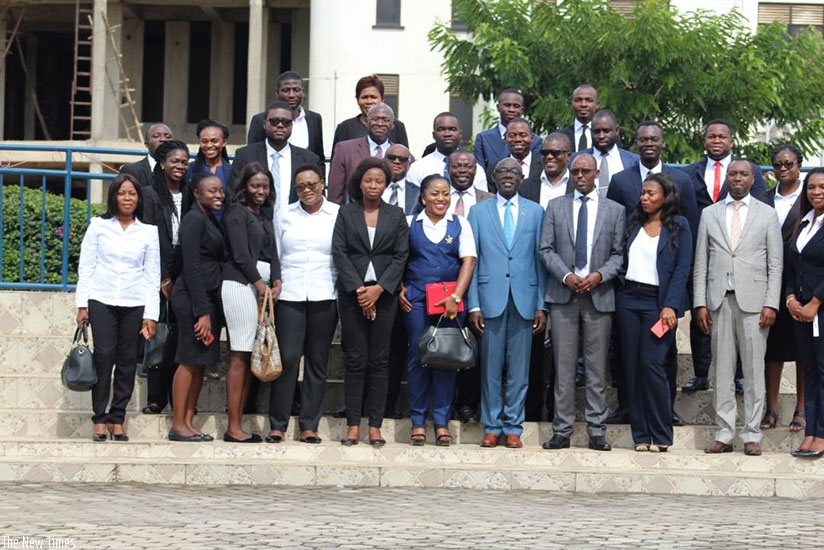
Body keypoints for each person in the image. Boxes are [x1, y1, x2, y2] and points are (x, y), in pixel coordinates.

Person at [606, 121, 699, 425]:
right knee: (627, 356)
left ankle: (663, 412)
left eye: (654, 138)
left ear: (662, 143)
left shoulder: (682, 182)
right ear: (635, 142)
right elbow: (618, 237)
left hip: (662, 297)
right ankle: (630, 411)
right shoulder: (622, 182)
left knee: (660, 358)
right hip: (630, 296)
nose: (648, 143)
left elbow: (686, 250)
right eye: (642, 138)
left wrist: (672, 301)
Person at [695, 160, 782, 457]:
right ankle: (724, 432)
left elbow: (775, 263)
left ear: (752, 178)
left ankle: (752, 433)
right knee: (722, 370)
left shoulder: (767, 214)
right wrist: (700, 302)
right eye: (732, 173)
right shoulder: (709, 214)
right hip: (719, 299)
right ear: (726, 178)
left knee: (755, 371)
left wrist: (771, 302)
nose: (737, 178)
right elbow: (701, 263)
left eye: (743, 174)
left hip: (755, 302)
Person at [540, 154, 625, 452]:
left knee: (596, 368)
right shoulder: (555, 206)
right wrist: (565, 276)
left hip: (598, 296)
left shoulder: (615, 210)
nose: (580, 176)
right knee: (563, 367)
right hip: (564, 296)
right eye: (575, 171)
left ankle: (596, 429)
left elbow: (618, 254)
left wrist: (600, 275)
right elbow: (546, 249)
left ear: (597, 174)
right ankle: (561, 430)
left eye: (585, 171)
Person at [681, 119, 767, 394]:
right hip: (700, 251)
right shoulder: (689, 173)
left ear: (731, 141)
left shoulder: (748, 172)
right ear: (704, 140)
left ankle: (739, 376)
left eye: (722, 136)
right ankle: (701, 373)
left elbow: (760, 210)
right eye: (711, 136)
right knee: (701, 312)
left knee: (739, 315)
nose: (716, 140)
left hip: (738, 255)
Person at [467, 158, 547, 449]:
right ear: (493, 176)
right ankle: (491, 425)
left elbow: (541, 261)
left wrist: (541, 304)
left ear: (523, 175)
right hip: (490, 300)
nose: (509, 176)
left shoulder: (536, 212)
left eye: (514, 172)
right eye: (503, 172)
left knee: (519, 370)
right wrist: (473, 304)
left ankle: (513, 426)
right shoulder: (478, 212)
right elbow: (472, 261)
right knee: (490, 369)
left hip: (525, 300)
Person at [76, 174, 160, 441]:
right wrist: (82, 304)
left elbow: (152, 274)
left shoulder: (148, 231)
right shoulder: (98, 226)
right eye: (122, 193)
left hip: (135, 302)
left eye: (132, 194)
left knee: (126, 362)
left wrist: (151, 315)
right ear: (113, 196)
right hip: (101, 300)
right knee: (103, 357)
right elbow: (86, 267)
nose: (127, 198)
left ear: (138, 198)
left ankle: (117, 417)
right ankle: (99, 418)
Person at [332, 157, 409, 446]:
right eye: (368, 180)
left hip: (385, 296)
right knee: (355, 359)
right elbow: (339, 252)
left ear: (387, 184)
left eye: (379, 181)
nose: (373, 185)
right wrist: (359, 291)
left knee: (379, 361)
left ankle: (375, 425)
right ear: (359, 183)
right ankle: (353, 424)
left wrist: (379, 290)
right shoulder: (347, 213)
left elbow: (401, 255)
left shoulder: (396, 215)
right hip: (353, 295)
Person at [616, 173, 692, 452]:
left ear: (665, 196)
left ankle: (661, 434)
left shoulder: (679, 225)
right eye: (643, 193)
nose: (644, 198)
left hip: (657, 303)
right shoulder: (633, 222)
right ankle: (641, 436)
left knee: (653, 365)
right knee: (632, 367)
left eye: (651, 194)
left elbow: (682, 269)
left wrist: (670, 305)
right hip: (628, 300)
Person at [399, 174, 476, 446]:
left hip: (450, 302)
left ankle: (441, 422)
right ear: (422, 197)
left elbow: (468, 262)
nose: (441, 198)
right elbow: (398, 258)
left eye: (445, 193)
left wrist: (456, 295)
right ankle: (418, 421)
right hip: (417, 299)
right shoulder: (409, 224)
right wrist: (399, 287)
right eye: (434, 193)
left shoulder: (461, 224)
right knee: (418, 355)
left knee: (446, 358)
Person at [267, 164, 339, 444]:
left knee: (317, 361)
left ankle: (309, 425)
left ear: (322, 184)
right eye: (301, 187)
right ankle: (278, 424)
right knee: (287, 358)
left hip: (325, 293)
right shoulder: (284, 215)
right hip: (290, 293)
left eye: (312, 184)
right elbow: (276, 253)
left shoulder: (337, 213)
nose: (307, 190)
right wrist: (275, 282)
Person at [221, 163, 281, 443]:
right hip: (241, 286)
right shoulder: (236, 212)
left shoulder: (264, 215)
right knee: (240, 354)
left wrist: (276, 281)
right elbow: (241, 255)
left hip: (262, 288)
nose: (260, 191)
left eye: (265, 186)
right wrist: (260, 286)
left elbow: (273, 253)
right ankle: (233, 427)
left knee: (248, 354)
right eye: (255, 185)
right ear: (245, 186)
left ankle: (239, 422)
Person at [168, 174, 227, 442]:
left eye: (221, 191)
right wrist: (202, 311)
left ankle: (189, 422)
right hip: (193, 299)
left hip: (207, 297)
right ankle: (178, 423)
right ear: (196, 193)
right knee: (189, 360)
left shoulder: (208, 217)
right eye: (212, 191)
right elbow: (190, 266)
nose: (218, 195)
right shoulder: (193, 218)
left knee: (200, 363)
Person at [140, 139, 191, 414]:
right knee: (159, 333)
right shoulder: (149, 194)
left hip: (185, 266)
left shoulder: (191, 193)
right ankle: (156, 397)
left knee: (179, 334)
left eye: (184, 162)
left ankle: (177, 398)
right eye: (174, 161)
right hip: (157, 267)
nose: (180, 166)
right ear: (162, 164)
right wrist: (161, 277)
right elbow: (149, 238)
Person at [761, 145, 806, 433]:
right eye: (777, 164)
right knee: (772, 351)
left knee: (804, 351)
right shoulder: (763, 200)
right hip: (769, 285)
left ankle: (802, 409)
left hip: (803, 283)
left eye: (788, 163)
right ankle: (771, 407)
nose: (782, 169)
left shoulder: (811, 197)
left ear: (799, 165)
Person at [786, 168, 824, 457]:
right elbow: (793, 265)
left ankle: (821, 434)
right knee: (810, 371)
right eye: (811, 187)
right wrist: (789, 299)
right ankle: (810, 431)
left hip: (819, 310)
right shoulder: (804, 222)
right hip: (800, 312)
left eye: (822, 187)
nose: (816, 192)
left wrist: (815, 302)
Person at [228, 101, 324, 211]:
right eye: (274, 121)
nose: (280, 125)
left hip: (295, 224)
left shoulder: (308, 159)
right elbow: (233, 194)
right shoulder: (244, 155)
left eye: (286, 122)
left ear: (292, 125)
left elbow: (316, 197)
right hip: (254, 223)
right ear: (264, 124)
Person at [246, 71, 325, 160]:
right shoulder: (260, 120)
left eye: (296, 90)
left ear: (303, 92)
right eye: (286, 90)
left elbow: (319, 157)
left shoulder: (314, 119)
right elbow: (252, 154)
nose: (291, 95)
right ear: (277, 92)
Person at [328, 103, 397, 204]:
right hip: (354, 214)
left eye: (386, 120)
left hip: (391, 216)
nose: (380, 123)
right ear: (366, 122)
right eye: (375, 119)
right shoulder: (344, 150)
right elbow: (335, 192)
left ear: (393, 125)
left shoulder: (401, 156)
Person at [406, 112, 487, 192]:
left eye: (452, 129)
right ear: (433, 135)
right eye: (441, 129)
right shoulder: (418, 168)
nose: (447, 134)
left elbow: (482, 201)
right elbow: (413, 202)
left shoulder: (475, 169)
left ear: (460, 134)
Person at [331, 74, 409, 154]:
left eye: (373, 97)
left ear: (382, 99)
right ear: (357, 100)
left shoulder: (397, 127)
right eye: (364, 97)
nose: (369, 102)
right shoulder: (345, 128)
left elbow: (405, 158)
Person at [473, 89, 541, 174]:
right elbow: (480, 172)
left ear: (522, 110)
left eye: (516, 106)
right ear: (498, 107)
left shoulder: (535, 141)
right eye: (507, 105)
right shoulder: (483, 139)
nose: (511, 110)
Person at [571, 109, 638, 194]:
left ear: (617, 131)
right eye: (596, 131)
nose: (601, 136)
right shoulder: (574, 160)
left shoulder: (634, 162)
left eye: (606, 131)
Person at [187, 119, 231, 211]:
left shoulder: (233, 171)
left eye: (214, 141)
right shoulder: (189, 169)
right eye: (204, 141)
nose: (209, 145)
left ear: (224, 143)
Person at [120, 122, 173, 188]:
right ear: (146, 144)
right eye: (156, 136)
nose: (163, 139)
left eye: (168, 137)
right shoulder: (132, 171)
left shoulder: (180, 170)